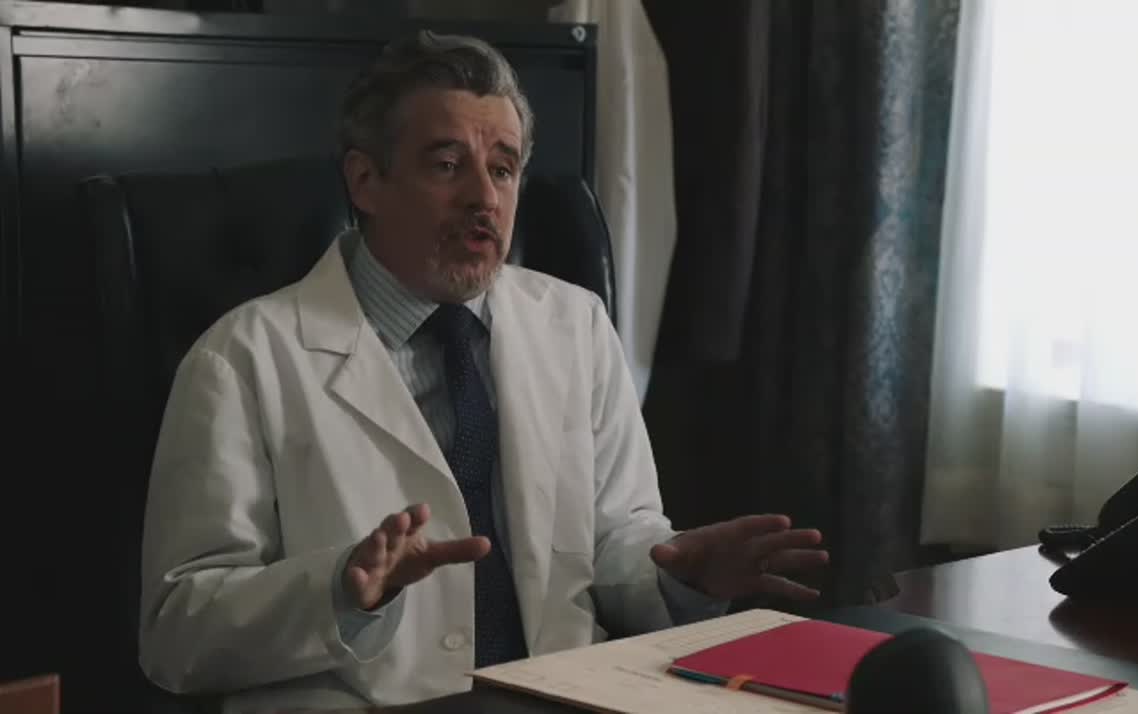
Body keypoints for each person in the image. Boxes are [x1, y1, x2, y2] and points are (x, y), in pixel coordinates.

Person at [137, 30, 828, 712]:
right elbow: (177, 634)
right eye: (447, 165)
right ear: (365, 180)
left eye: (503, 169)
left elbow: (616, 543)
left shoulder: (576, 324)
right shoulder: (242, 358)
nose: (484, 199)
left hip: (563, 699)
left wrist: (682, 576)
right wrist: (339, 591)